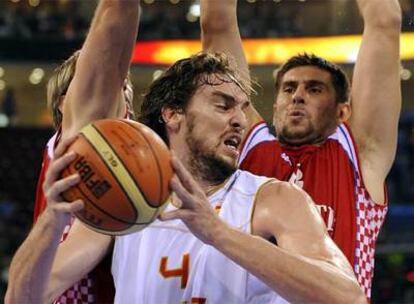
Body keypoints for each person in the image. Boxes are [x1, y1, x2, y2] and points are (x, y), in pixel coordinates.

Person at [5, 53, 365, 304]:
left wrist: (219, 233)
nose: (240, 119)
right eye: (223, 105)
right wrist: (52, 222)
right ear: (173, 114)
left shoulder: (274, 199)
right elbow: (23, 297)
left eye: (242, 108)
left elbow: (347, 298)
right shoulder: (126, 204)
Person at [200, 0, 401, 299]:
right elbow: (217, 22)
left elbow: (385, 20)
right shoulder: (245, 146)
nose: (298, 97)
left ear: (342, 112)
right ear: (275, 104)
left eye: (314, 89)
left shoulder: (360, 154)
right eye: (289, 88)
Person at [30, 0, 140, 302]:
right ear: (65, 104)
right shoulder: (81, 137)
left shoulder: (126, 150)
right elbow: (112, 26)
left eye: (125, 85)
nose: (121, 87)